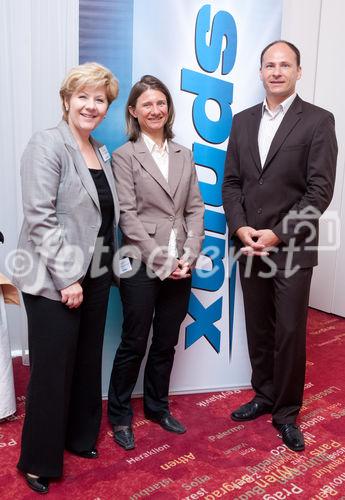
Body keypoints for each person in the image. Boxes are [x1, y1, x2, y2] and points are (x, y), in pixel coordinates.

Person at [222, 40, 337, 452]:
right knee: (260, 328)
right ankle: (264, 394)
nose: (276, 71)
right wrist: (241, 230)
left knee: (289, 331)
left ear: (298, 72)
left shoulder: (319, 121)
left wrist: (277, 233)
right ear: (260, 72)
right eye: (269, 65)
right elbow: (232, 183)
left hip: (290, 247)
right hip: (250, 244)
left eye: (284, 65)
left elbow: (319, 192)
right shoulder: (242, 121)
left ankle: (286, 412)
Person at [12, 62, 120, 493]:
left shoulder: (100, 150)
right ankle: (38, 460)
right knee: (53, 368)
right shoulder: (47, 145)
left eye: (100, 99)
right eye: (84, 97)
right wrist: (66, 279)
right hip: (56, 276)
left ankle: (79, 437)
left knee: (86, 360)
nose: (91, 106)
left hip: (94, 273)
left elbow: (102, 214)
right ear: (66, 100)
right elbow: (40, 218)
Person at [108, 75, 204, 450]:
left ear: (169, 108)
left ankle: (156, 406)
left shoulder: (184, 154)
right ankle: (119, 415)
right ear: (133, 111)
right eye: (146, 104)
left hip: (181, 262)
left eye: (160, 103)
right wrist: (164, 260)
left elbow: (195, 209)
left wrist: (189, 255)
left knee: (166, 340)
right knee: (134, 340)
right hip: (141, 263)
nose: (155, 110)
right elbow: (127, 217)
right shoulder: (123, 156)